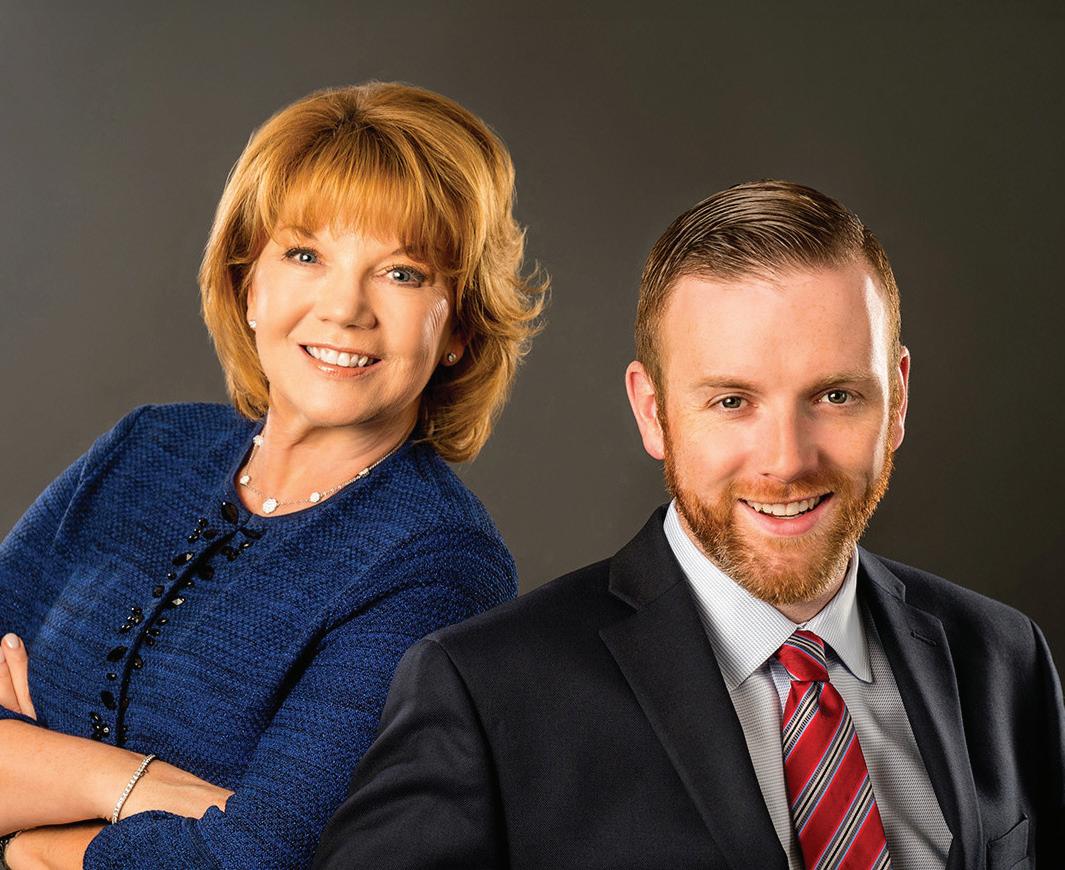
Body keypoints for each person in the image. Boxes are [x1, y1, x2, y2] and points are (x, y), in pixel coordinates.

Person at [315, 180, 1064, 869]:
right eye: (732, 402)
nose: (786, 460)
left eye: (836, 396)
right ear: (653, 412)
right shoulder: (485, 692)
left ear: (895, 398)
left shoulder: (1003, 660)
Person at [0, 81, 544, 869]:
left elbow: (258, 857)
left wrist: (29, 844)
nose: (344, 308)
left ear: (458, 324)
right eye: (305, 255)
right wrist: (125, 784)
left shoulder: (438, 566)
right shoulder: (145, 449)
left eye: (401, 273)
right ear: (247, 282)